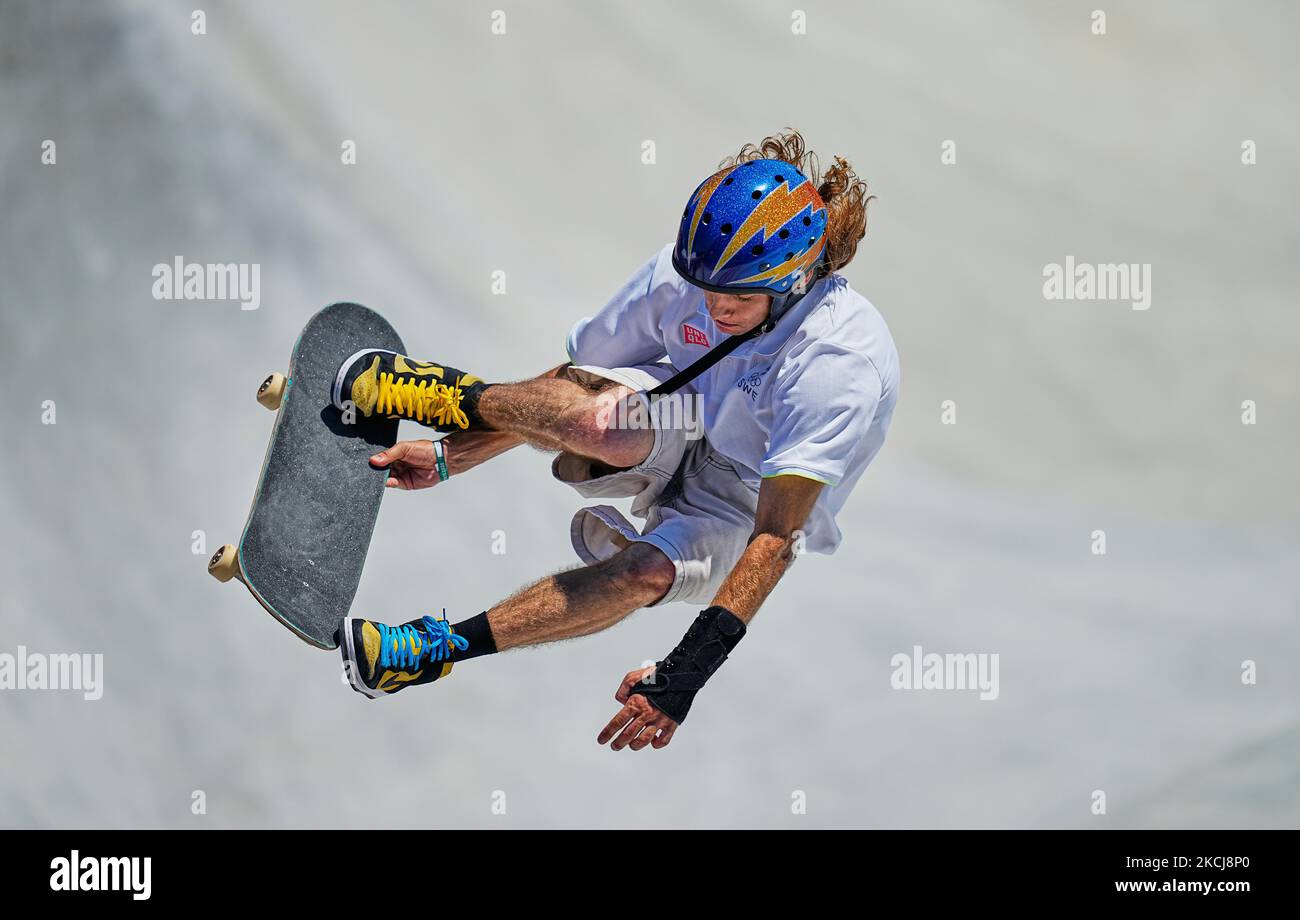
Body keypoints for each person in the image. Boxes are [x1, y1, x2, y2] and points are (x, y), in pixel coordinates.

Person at [334, 129, 899, 751]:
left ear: (793, 280)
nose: (713, 307)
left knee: (641, 573)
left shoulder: (836, 362)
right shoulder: (684, 276)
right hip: (688, 414)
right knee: (596, 422)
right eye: (703, 286)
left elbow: (773, 538)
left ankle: (429, 650)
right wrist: (451, 452)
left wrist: (686, 676)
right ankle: (442, 391)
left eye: (736, 297)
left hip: (748, 503)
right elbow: (569, 385)